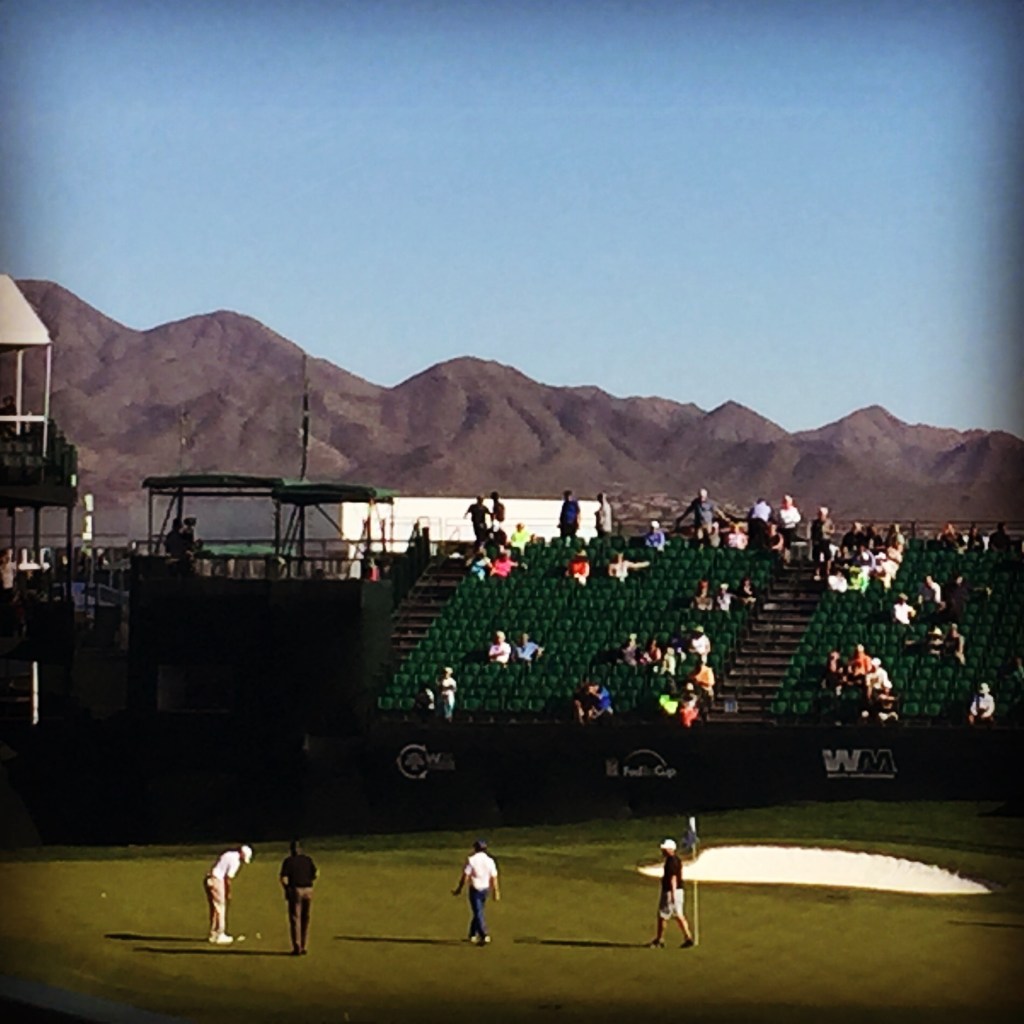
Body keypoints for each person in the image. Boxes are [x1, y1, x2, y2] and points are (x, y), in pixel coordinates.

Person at [452, 839, 500, 945]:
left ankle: (483, 934)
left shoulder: (471, 860)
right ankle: (473, 934)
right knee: (478, 912)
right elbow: (494, 877)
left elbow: (465, 876)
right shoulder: (490, 861)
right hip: (485, 889)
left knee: (478, 912)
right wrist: (496, 891)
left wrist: (459, 888)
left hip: (475, 889)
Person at [649, 838, 694, 948]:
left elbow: (673, 878)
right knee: (678, 915)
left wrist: (672, 894)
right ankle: (688, 937)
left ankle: (660, 940)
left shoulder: (672, 861)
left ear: (671, 849)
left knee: (663, 916)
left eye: (665, 849)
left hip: (671, 891)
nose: (663, 851)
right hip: (676, 891)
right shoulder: (675, 860)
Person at [204, 844, 252, 945]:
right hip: (217, 880)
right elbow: (228, 878)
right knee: (220, 908)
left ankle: (213, 934)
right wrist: (228, 893)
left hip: (209, 879)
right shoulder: (236, 861)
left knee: (214, 908)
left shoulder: (228, 854)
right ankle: (220, 934)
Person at [279, 840, 317, 956]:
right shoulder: (308, 860)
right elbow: (315, 874)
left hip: (296, 890)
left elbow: (283, 878)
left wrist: (287, 889)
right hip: (308, 890)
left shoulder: (288, 861)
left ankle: (297, 947)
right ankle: (304, 946)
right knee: (306, 918)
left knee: (295, 918)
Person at [810, 506, 835, 581]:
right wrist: (813, 539)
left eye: (822, 514)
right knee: (816, 557)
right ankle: (817, 573)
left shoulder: (829, 522)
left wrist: (827, 531)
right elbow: (812, 531)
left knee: (827, 556)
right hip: (817, 541)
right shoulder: (815, 522)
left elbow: (832, 530)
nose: (820, 515)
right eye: (819, 514)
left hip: (825, 540)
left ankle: (827, 572)